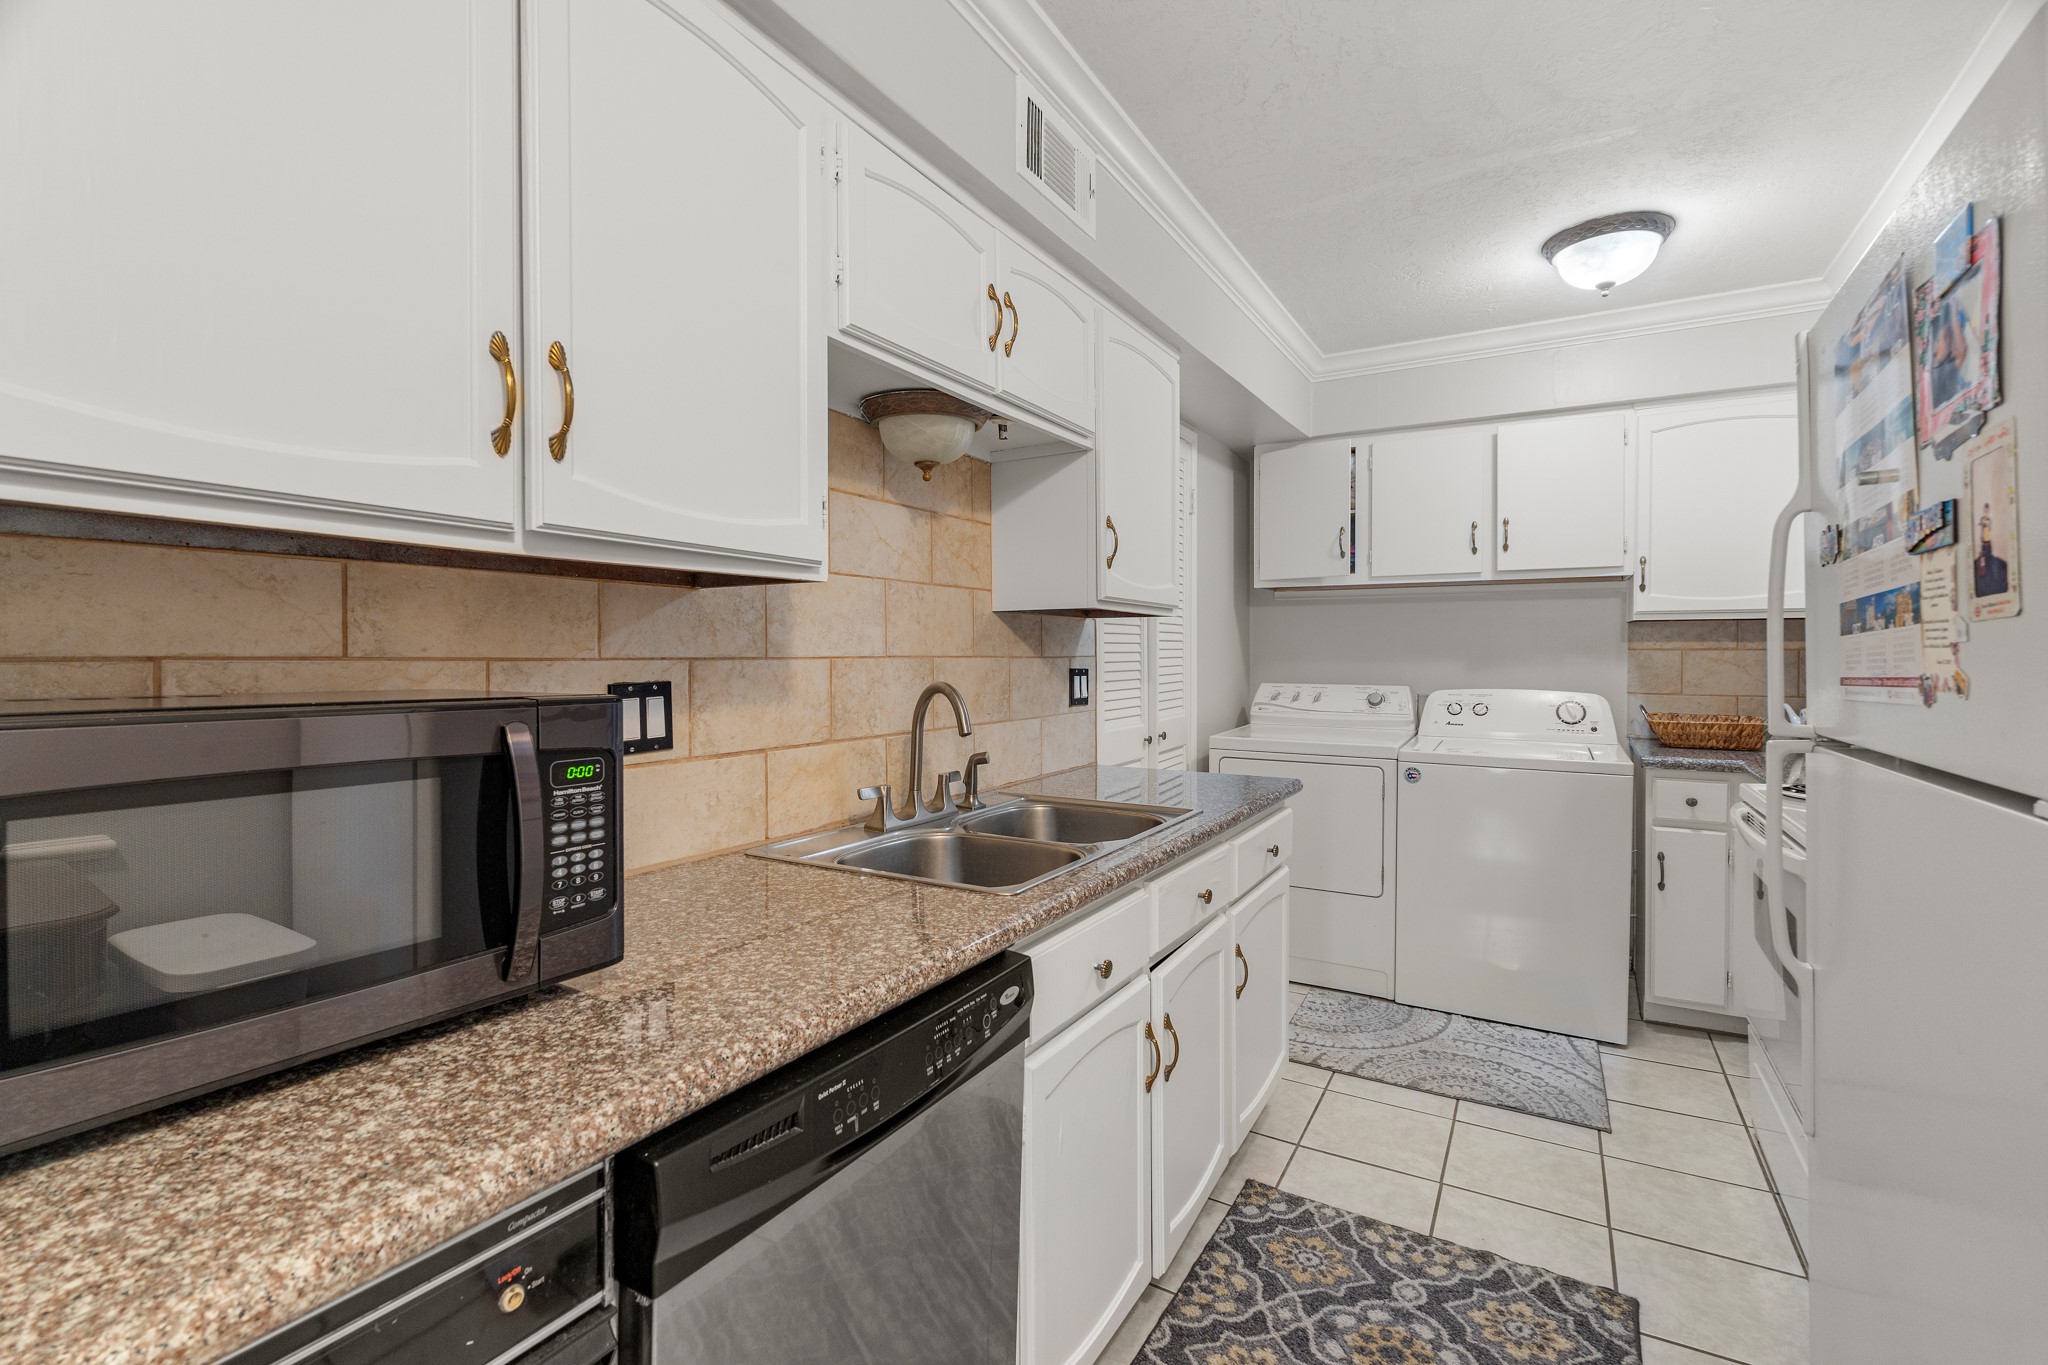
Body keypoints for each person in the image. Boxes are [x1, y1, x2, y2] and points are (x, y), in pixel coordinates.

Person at [1974, 501, 2009, 598]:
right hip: (1984, 541)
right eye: (1985, 510)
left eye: (1987, 510)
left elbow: (1989, 529)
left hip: (1988, 540)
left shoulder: (1989, 520)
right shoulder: (1983, 519)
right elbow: (1981, 526)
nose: (1986, 511)